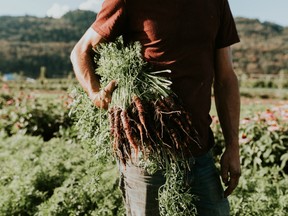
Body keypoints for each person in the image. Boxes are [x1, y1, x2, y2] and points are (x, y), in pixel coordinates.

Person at [70, 0, 241, 215]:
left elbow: (226, 78)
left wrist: (233, 147)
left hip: (200, 152)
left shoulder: (215, 3)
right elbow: (81, 51)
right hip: (145, 155)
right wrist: (95, 94)